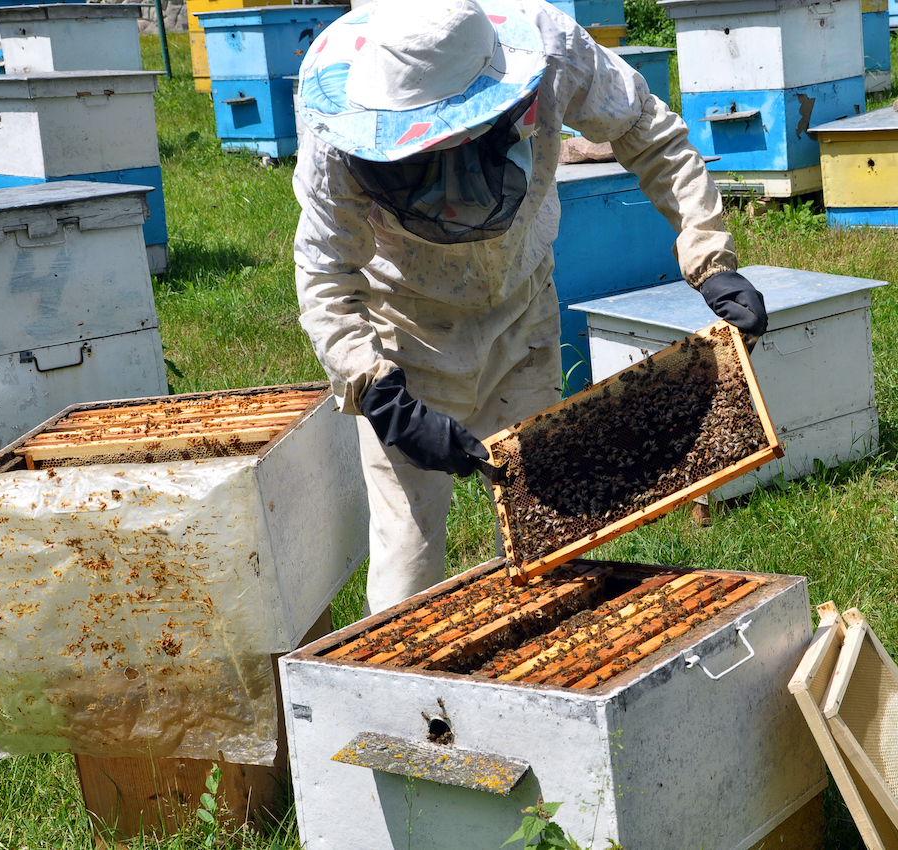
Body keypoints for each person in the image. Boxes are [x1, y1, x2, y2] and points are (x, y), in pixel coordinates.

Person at [292, 0, 768, 614]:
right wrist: (379, 393)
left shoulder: (553, 50)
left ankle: (544, 697)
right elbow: (326, 273)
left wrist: (709, 256)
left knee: (549, 529)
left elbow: (647, 130)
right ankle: (397, 707)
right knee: (406, 550)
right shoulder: (338, 129)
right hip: (405, 334)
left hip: (522, 313)